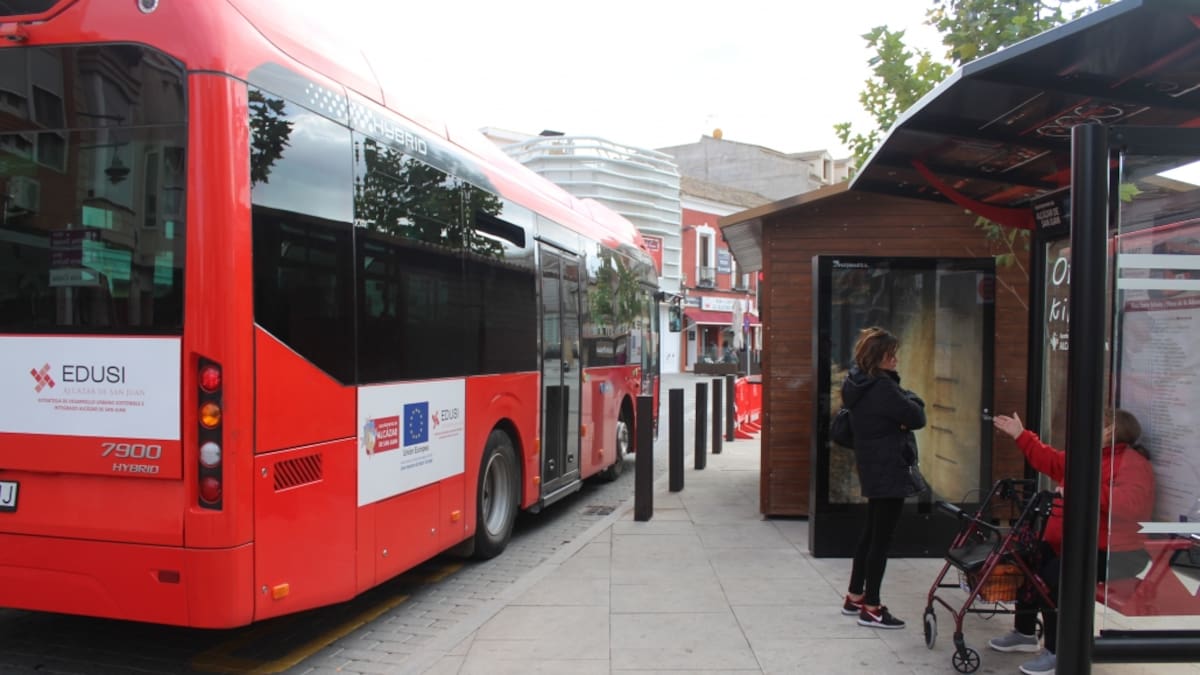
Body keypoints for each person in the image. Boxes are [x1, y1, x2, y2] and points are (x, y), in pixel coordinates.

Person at [988, 408, 1155, 675]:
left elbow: (1131, 505)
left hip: (1115, 552)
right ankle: (1025, 632)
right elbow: (1052, 462)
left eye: (1098, 424)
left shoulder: (1132, 463)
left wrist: (1081, 490)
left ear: (1112, 430)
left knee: (1056, 579)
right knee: (1028, 560)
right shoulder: (1090, 457)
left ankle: (1059, 651)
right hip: (1076, 545)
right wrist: (1021, 435)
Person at [840, 326, 926, 629]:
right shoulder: (883, 388)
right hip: (889, 468)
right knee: (881, 539)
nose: (897, 359)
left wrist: (901, 412)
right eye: (892, 354)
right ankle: (873, 607)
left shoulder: (857, 383)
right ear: (880, 357)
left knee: (870, 533)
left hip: (873, 465)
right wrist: (909, 401)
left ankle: (855, 596)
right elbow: (917, 416)